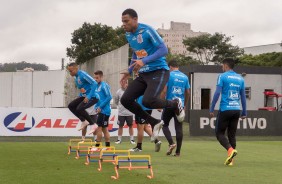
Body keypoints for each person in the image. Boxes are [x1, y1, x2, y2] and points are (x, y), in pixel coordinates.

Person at [120, 8, 184, 142]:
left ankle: (175, 103)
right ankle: (154, 122)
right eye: (122, 22)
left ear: (135, 19)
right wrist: (129, 70)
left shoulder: (147, 30)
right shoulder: (128, 35)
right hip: (143, 74)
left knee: (148, 101)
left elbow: (163, 50)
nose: (124, 24)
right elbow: (136, 52)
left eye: (126, 21)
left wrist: (144, 61)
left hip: (159, 70)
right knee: (126, 99)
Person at [210, 58, 247, 166]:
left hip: (225, 109)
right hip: (236, 109)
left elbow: (217, 93)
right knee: (232, 135)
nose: (222, 67)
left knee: (219, 133)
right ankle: (231, 160)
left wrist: (212, 108)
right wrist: (244, 112)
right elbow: (243, 97)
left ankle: (230, 150)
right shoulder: (240, 78)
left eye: (222, 65)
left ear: (226, 66)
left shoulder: (222, 76)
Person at [160, 60, 190, 157]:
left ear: (170, 67)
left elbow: (164, 91)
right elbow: (188, 93)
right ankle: (178, 152)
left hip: (169, 103)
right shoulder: (185, 77)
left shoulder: (169, 75)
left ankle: (171, 143)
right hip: (179, 105)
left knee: (164, 124)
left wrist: (161, 103)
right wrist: (184, 105)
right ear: (178, 66)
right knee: (179, 128)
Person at [67, 62, 99, 141]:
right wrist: (82, 91)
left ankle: (93, 124)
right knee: (71, 106)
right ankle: (84, 121)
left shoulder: (83, 74)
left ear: (76, 68)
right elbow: (83, 88)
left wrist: (88, 96)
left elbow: (94, 83)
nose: (70, 73)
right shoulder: (76, 78)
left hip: (93, 97)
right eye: (69, 71)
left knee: (79, 108)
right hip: (84, 96)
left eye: (71, 71)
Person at [90, 70, 112, 148]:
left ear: (101, 77)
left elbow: (109, 97)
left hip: (105, 111)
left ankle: (97, 146)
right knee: (104, 129)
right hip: (100, 110)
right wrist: (96, 107)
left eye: (97, 77)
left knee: (99, 128)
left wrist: (100, 107)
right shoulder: (96, 86)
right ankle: (108, 147)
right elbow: (97, 99)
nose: (96, 79)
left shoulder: (104, 85)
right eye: (94, 78)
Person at [115, 80, 136, 144]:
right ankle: (119, 140)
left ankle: (132, 140)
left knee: (130, 126)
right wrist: (120, 107)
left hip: (129, 112)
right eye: (122, 82)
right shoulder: (118, 91)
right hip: (121, 113)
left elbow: (134, 100)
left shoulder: (131, 91)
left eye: (124, 82)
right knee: (120, 126)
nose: (123, 84)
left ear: (127, 83)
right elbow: (116, 101)